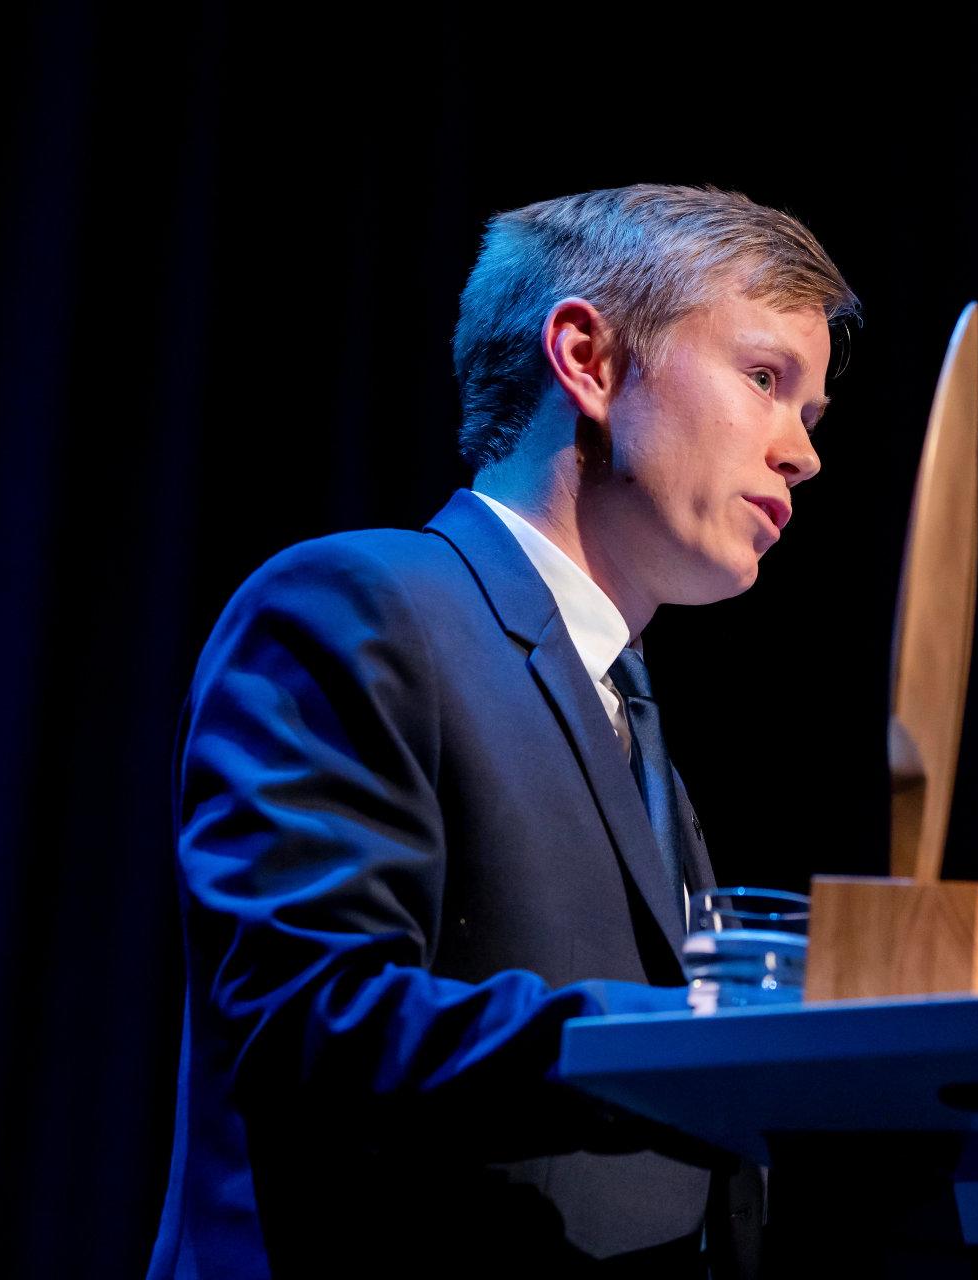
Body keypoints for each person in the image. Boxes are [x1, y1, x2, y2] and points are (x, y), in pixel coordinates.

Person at [147, 185, 861, 1278]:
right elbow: (306, 1018)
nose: (802, 454)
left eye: (809, 417)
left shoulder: (634, 719)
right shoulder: (361, 602)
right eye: (765, 379)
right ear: (586, 356)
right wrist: (686, 1051)